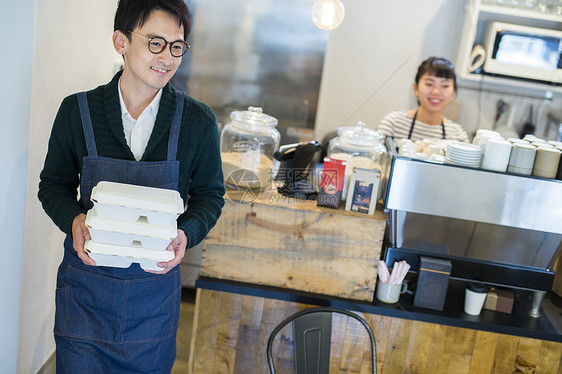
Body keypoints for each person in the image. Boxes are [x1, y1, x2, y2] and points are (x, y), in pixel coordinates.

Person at [37, 0, 225, 372]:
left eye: (177, 46)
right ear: (120, 41)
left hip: (152, 305)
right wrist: (74, 219)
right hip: (85, 301)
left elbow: (210, 195)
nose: (167, 57)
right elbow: (53, 185)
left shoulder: (198, 122)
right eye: (155, 43)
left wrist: (186, 233)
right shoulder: (77, 112)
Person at [378, 56, 469, 142]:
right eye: (429, 84)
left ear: (453, 92)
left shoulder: (457, 136)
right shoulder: (393, 123)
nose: (436, 92)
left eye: (445, 86)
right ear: (416, 88)